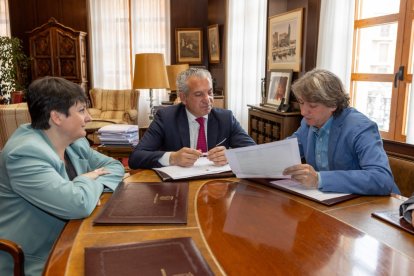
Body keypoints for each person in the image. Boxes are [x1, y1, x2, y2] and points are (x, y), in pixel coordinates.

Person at [0, 77, 124, 276]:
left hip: (72, 238)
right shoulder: (24, 155)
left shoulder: (74, 142)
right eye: (82, 110)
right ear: (57, 117)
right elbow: (78, 204)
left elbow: (114, 166)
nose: (89, 117)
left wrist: (90, 183)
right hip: (33, 259)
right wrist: (85, 179)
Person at [282, 68, 400, 195]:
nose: (303, 112)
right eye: (301, 103)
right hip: (331, 201)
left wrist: (319, 179)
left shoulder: (361, 128)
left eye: (312, 105)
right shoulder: (308, 122)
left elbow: (381, 179)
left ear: (333, 105)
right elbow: (286, 150)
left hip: (375, 206)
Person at [129, 68, 255, 169]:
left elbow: (255, 152)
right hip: (179, 187)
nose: (207, 100)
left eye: (210, 92)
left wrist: (231, 156)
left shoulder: (225, 118)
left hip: (217, 187)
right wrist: (173, 157)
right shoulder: (166, 118)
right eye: (199, 94)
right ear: (183, 98)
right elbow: (136, 157)